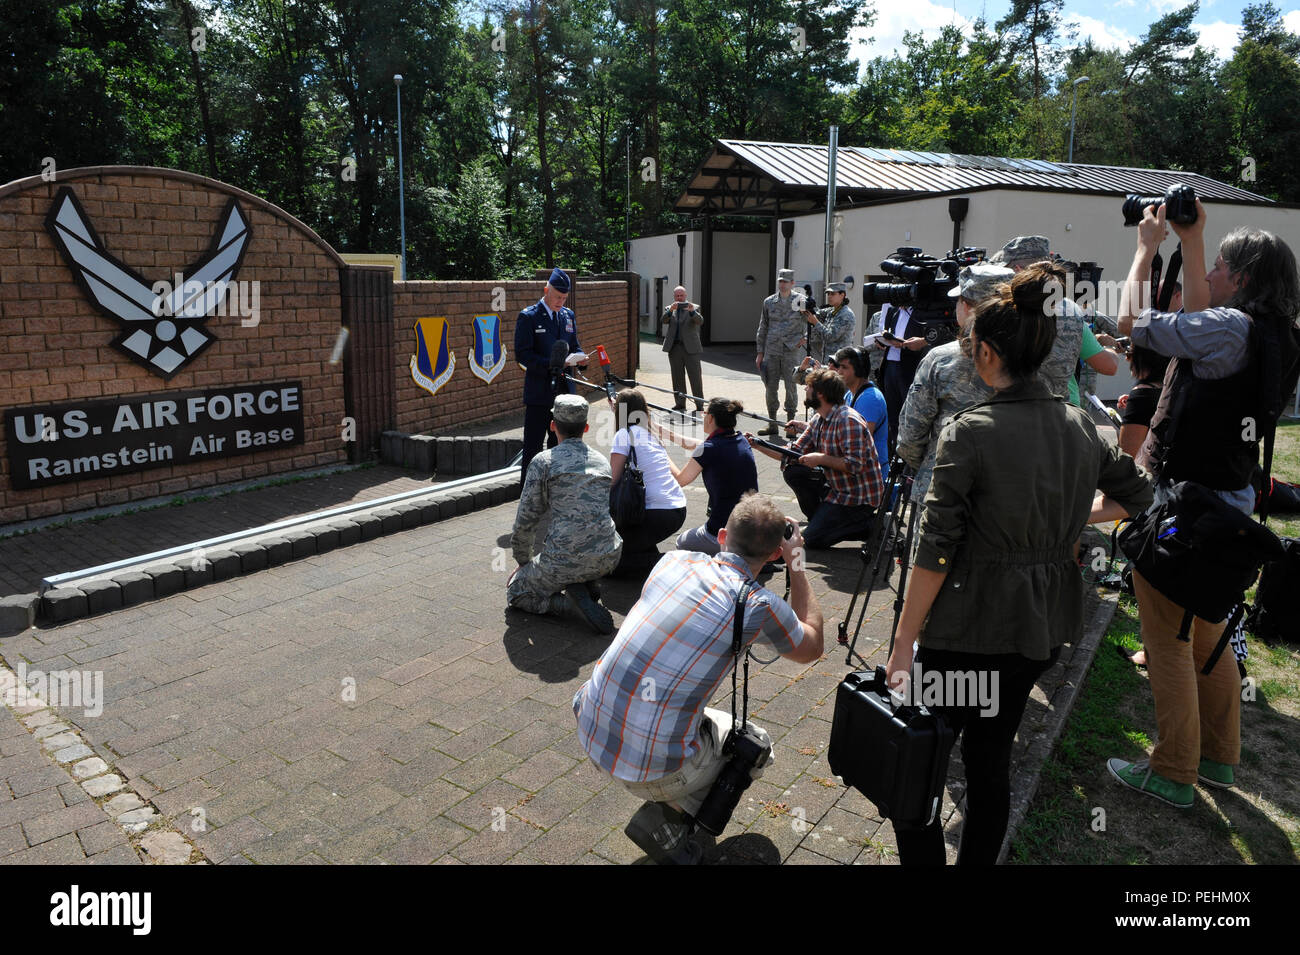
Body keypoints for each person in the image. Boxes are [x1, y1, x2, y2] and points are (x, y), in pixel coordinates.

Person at [884, 271, 1154, 865]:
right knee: (990, 762)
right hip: (1040, 628)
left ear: (985, 351)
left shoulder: (968, 433)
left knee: (920, 764)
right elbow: (1140, 495)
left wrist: (903, 644)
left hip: (966, 628)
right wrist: (1073, 516)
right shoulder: (1081, 424)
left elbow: (934, 551)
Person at [1109, 200, 1300, 806]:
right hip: (1231, 502)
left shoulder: (1229, 328)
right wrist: (1193, 243)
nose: (1210, 278)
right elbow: (1202, 320)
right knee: (1209, 631)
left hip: (1185, 507)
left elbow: (1131, 324)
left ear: (1241, 278)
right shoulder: (1280, 337)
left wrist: (1146, 246)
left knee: (1166, 638)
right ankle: (1219, 758)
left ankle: (1172, 770)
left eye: (1217, 267)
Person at [572, 492, 824, 863]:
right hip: (649, 767)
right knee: (757, 744)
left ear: (722, 536)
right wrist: (797, 563)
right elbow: (812, 646)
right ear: (774, 555)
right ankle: (671, 821)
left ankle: (669, 799)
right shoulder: (758, 604)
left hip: (590, 725)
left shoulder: (673, 561)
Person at [896, 262, 1010, 503]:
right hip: (1008, 494)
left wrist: (928, 464)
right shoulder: (1035, 354)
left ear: (967, 306)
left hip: (944, 490)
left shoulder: (941, 359)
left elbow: (910, 436)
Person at [508, 394, 622, 635]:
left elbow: (525, 522)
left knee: (515, 590)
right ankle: (585, 582)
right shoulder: (602, 462)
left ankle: (568, 605)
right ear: (586, 428)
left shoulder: (543, 462)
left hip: (565, 558)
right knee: (574, 559)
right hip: (609, 555)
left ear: (552, 426)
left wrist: (523, 563)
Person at [748, 368, 883, 549]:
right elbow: (791, 453)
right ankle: (822, 521)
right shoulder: (819, 419)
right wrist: (757, 444)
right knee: (794, 470)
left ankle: (874, 526)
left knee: (810, 541)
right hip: (838, 492)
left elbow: (855, 465)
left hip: (859, 498)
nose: (805, 389)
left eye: (808, 386)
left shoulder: (847, 420)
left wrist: (820, 458)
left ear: (820, 394)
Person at [651, 397, 758, 556]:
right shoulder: (740, 439)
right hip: (751, 528)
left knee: (682, 542)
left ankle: (722, 560)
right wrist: (663, 432)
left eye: (704, 413)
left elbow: (680, 480)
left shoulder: (710, 449)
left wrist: (661, 452)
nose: (702, 415)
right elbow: (697, 445)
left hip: (724, 531)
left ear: (711, 418)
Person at [609, 389, 688, 576]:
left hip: (656, 513)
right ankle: (650, 556)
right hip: (676, 509)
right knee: (630, 542)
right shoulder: (651, 435)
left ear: (620, 412)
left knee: (612, 564)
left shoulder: (623, 434)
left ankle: (675, 564)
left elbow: (612, 480)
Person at [515, 267, 582, 472]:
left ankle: (556, 497)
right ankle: (528, 499)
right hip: (539, 393)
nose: (560, 302)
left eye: (564, 298)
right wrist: (551, 363)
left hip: (564, 393)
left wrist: (581, 358)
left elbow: (574, 345)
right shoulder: (529, 317)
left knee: (560, 449)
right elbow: (523, 355)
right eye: (557, 297)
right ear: (546, 291)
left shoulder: (567, 316)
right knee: (533, 450)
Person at [791, 346, 889, 481]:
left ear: (859, 370)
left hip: (866, 477)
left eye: (844, 367)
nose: (838, 371)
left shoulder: (870, 399)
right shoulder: (850, 393)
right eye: (839, 367)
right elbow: (838, 427)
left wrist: (821, 458)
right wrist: (806, 426)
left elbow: (859, 441)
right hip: (852, 471)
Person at [865, 302, 928, 454]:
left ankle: (909, 457)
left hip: (910, 369)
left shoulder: (922, 311)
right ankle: (895, 455)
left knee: (909, 415)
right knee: (893, 416)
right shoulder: (893, 311)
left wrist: (922, 342)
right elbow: (886, 331)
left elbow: (932, 337)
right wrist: (883, 341)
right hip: (890, 366)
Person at [755, 269, 807, 434]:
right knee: (770, 387)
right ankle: (772, 424)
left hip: (791, 351)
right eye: (780, 281)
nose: (782, 284)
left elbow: (812, 322)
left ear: (793, 283)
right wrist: (760, 352)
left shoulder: (801, 301)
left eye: (786, 281)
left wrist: (804, 338)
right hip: (772, 350)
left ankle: (791, 426)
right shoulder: (769, 302)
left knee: (791, 386)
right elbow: (763, 327)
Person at [660, 286, 705, 414]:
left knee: (695, 377)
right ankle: (680, 404)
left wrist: (692, 312)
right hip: (674, 348)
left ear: (685, 296)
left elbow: (700, 321)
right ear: (674, 297)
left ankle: (699, 405)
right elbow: (663, 320)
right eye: (677, 296)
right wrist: (670, 311)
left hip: (691, 349)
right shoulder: (670, 308)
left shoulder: (694, 307)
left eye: (681, 295)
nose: (679, 298)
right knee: (677, 377)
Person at [802, 282, 856, 368]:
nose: (829, 296)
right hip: (829, 362)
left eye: (833, 294)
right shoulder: (832, 310)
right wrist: (806, 305)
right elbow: (816, 313)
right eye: (828, 294)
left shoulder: (845, 314)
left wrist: (815, 322)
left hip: (840, 363)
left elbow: (830, 336)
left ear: (842, 295)